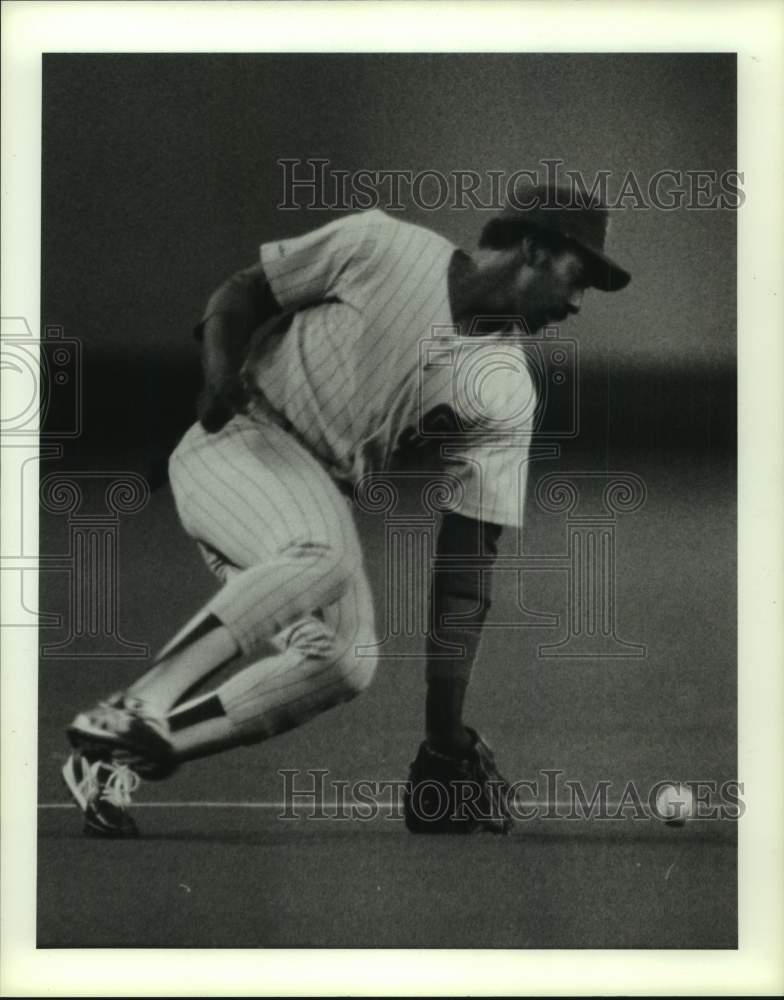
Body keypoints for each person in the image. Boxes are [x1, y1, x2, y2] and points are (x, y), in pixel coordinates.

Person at [61, 182, 631, 837]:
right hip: (242, 443)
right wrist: (220, 377)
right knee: (325, 555)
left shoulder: (504, 394)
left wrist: (445, 737)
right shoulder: (382, 245)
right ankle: (138, 705)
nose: (581, 301)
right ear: (533, 246)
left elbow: (465, 571)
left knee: (344, 660)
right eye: (579, 274)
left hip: (311, 499)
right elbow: (242, 293)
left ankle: (114, 755)